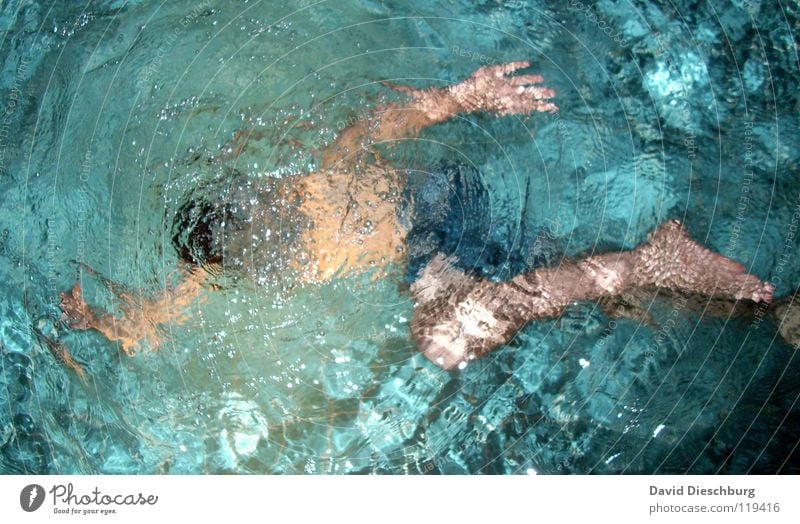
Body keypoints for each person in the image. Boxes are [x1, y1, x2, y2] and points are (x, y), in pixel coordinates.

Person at [59, 61, 774, 369]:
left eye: (263, 213)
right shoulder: (242, 251)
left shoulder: (317, 178)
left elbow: (384, 119)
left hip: (429, 219)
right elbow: (151, 326)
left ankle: (640, 264)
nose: (273, 227)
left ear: (264, 194)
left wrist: (465, 95)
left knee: (443, 334)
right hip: (441, 223)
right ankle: (751, 308)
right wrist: (100, 323)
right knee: (601, 300)